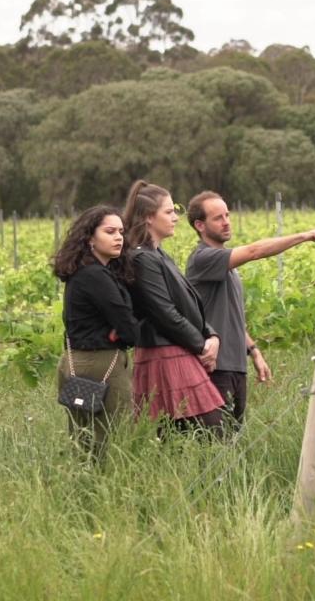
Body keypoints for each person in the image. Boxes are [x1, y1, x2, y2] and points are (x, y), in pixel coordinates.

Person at [185, 190, 315, 429]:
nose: (226, 222)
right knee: (215, 441)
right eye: (218, 218)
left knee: (232, 439)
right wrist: (306, 235)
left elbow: (230, 317)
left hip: (235, 365)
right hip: (215, 367)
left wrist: (254, 351)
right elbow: (255, 252)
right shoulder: (203, 259)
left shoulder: (226, 265)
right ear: (200, 225)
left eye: (227, 215)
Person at [121, 180, 226, 435]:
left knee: (182, 434)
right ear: (148, 217)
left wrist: (211, 335)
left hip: (177, 349)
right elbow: (164, 312)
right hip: (164, 353)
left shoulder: (159, 255)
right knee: (208, 431)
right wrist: (202, 345)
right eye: (168, 212)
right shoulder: (143, 258)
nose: (176, 218)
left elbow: (188, 303)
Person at [52, 205, 137, 458]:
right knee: (111, 439)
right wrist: (120, 333)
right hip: (100, 364)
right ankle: (105, 491)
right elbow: (130, 330)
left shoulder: (81, 272)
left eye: (121, 231)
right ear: (90, 237)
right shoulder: (96, 276)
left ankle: (82, 491)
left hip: (76, 361)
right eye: (109, 231)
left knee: (84, 438)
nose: (118, 237)